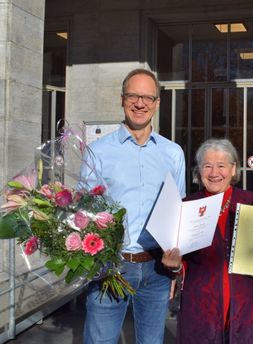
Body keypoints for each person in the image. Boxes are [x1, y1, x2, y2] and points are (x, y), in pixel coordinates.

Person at [80, 68, 186, 344]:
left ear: (157, 103)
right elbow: (84, 212)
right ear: (122, 99)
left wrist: (175, 269)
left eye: (148, 97)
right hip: (110, 266)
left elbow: (178, 213)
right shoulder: (98, 151)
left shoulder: (173, 153)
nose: (140, 104)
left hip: (156, 269)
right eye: (133, 96)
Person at [162, 138, 253, 344]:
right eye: (207, 166)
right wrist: (175, 267)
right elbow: (180, 262)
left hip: (244, 299)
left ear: (233, 170)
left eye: (221, 166)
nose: (214, 173)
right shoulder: (188, 206)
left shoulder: (252, 202)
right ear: (199, 171)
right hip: (201, 301)